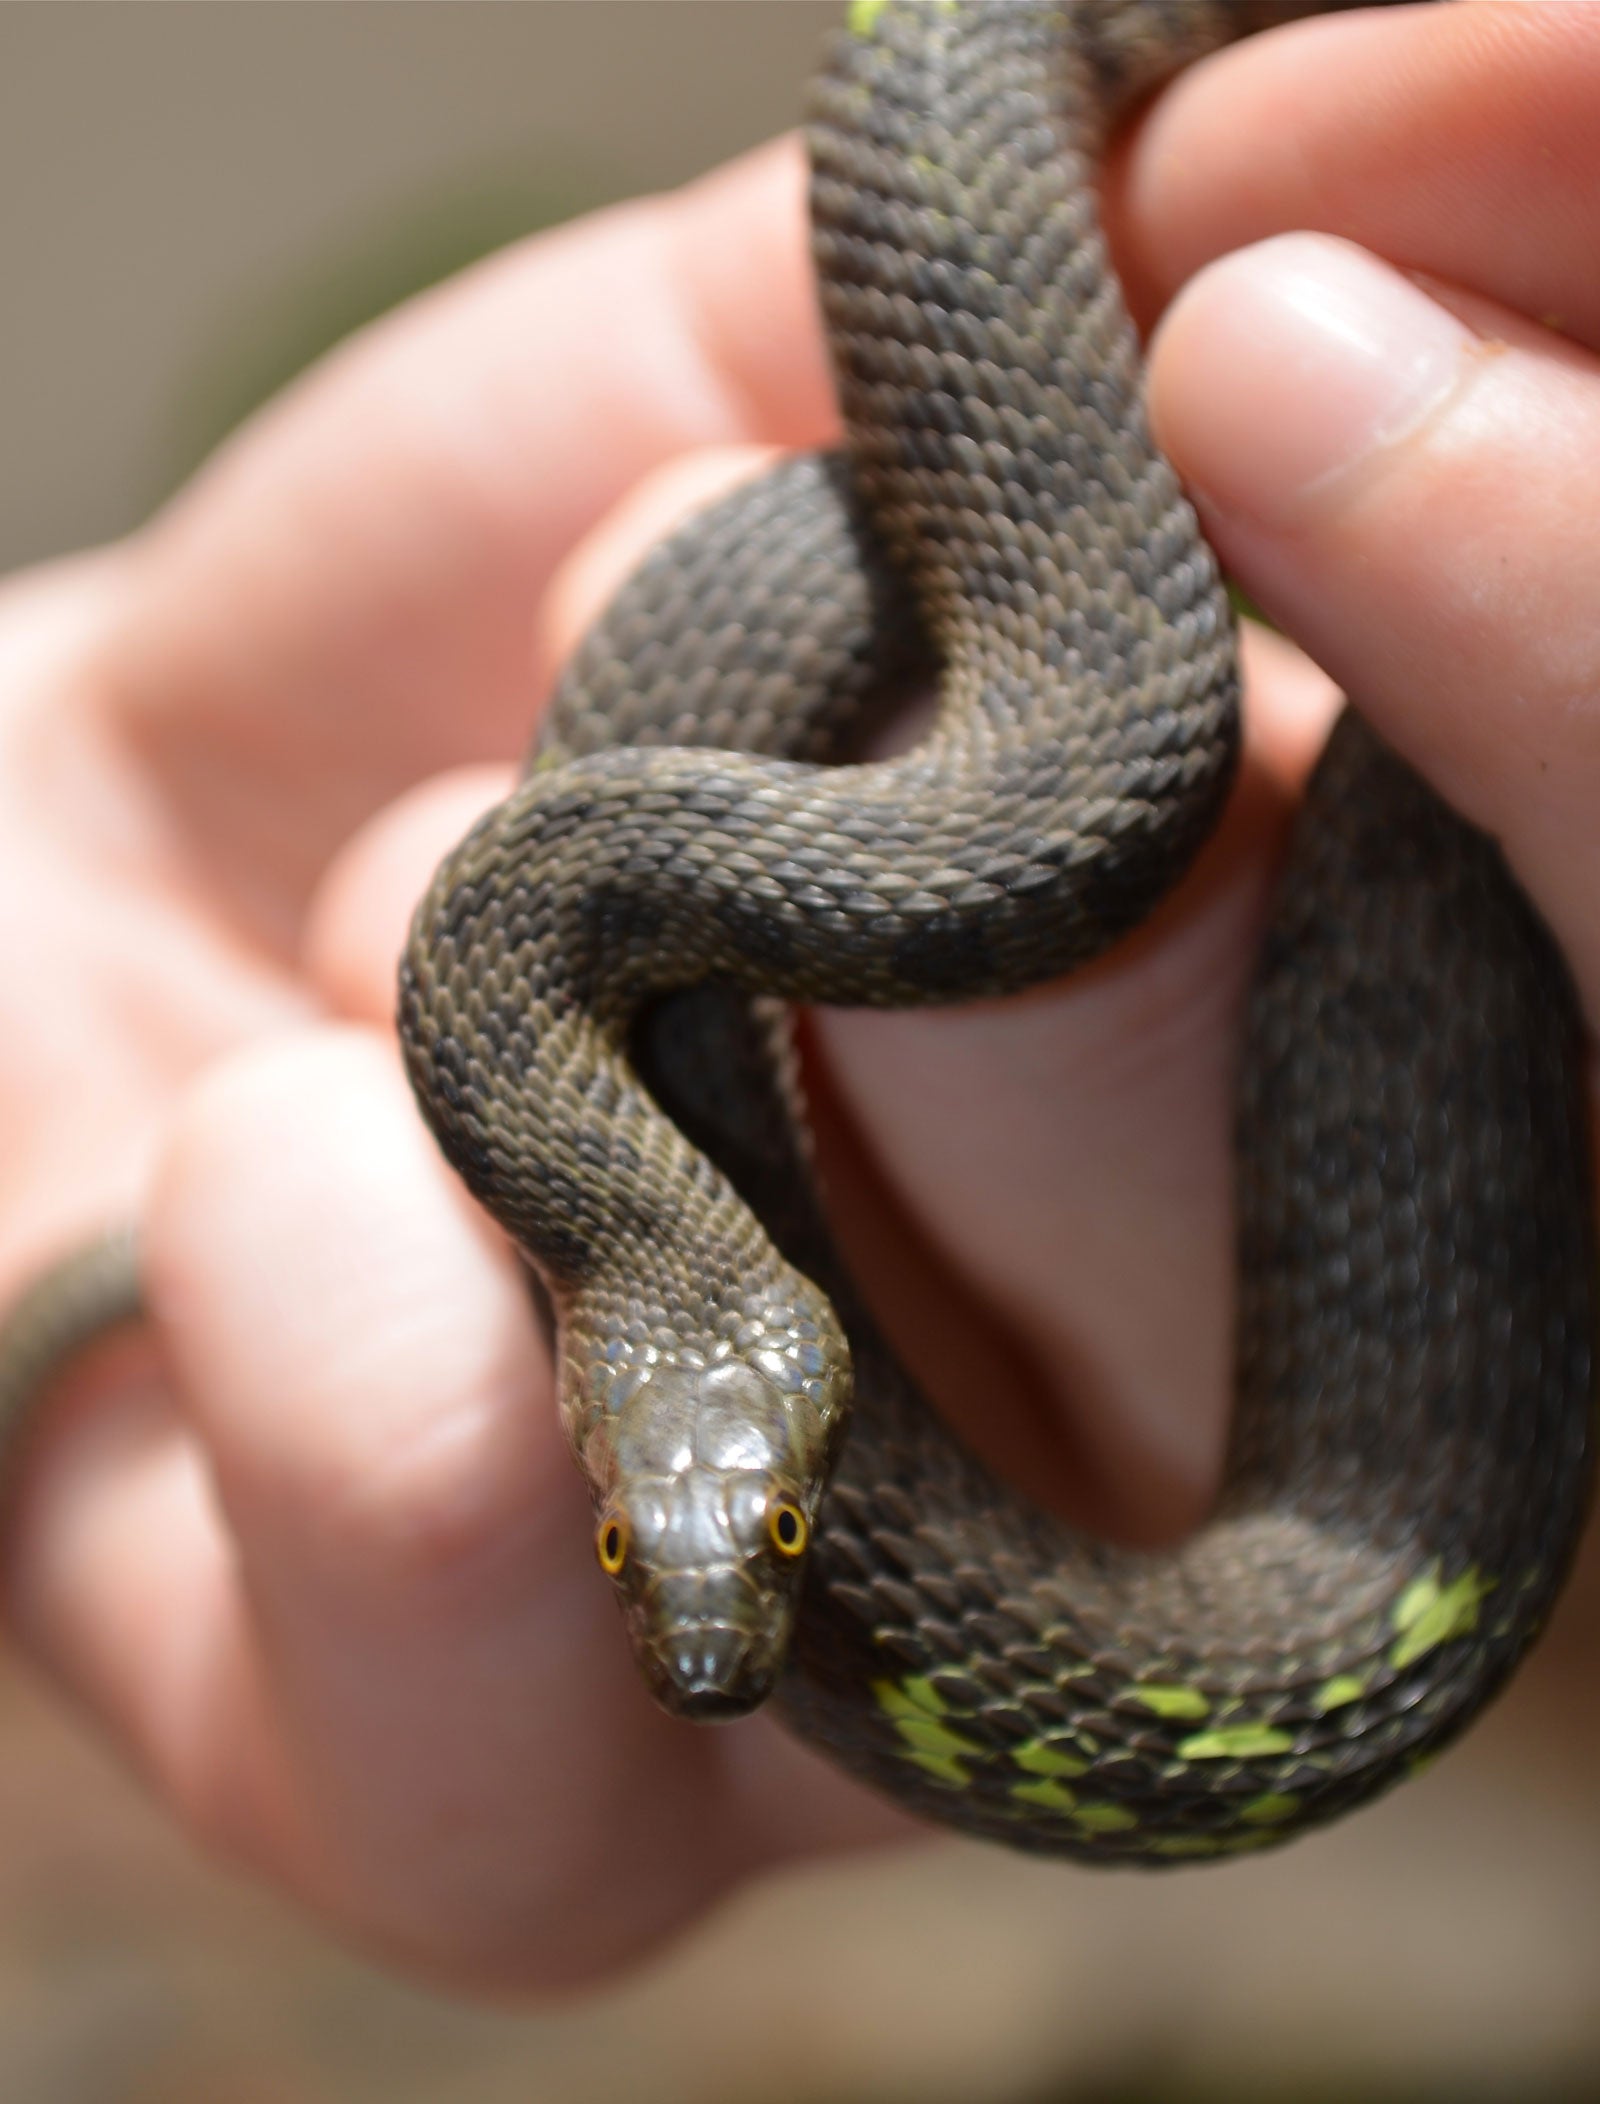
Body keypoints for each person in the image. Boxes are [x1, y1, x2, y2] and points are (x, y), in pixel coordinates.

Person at [0, 3, 1593, 1995]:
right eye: (741, 1544)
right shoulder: (579, 993)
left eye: (670, 1545)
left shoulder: (563, 941)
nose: (712, 1641)